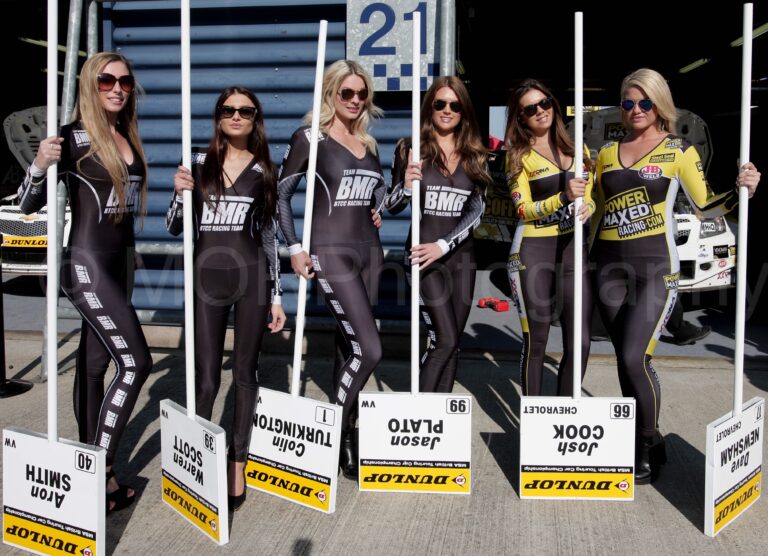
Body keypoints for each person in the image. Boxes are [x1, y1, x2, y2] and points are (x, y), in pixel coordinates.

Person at [592, 68, 761, 484]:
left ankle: (647, 444)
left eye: (644, 102)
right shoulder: (606, 154)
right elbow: (593, 213)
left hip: (655, 269)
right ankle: (645, 434)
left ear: (659, 104)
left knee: (635, 357)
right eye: (628, 103)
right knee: (626, 361)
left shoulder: (679, 150)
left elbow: (707, 206)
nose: (635, 110)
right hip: (607, 268)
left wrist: (744, 192)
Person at [19, 52, 152, 513]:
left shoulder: (126, 134)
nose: (117, 88)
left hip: (120, 266)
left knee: (95, 366)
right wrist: (39, 164)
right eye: (106, 80)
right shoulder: (73, 136)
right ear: (89, 85)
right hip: (87, 265)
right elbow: (27, 206)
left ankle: (105, 479)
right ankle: (95, 470)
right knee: (136, 363)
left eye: (125, 81)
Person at [167, 86, 286, 511]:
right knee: (206, 378)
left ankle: (237, 462)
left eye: (246, 110)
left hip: (252, 277)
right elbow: (173, 226)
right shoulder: (199, 161)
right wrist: (179, 192)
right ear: (218, 116)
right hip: (206, 280)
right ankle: (198, 458)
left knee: (244, 373)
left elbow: (270, 237)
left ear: (255, 118)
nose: (237, 116)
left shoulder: (266, 168)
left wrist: (276, 295)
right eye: (228, 110)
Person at [277, 60, 386, 479]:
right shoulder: (310, 138)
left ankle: (348, 442)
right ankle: (332, 434)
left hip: (370, 253)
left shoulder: (370, 145)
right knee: (371, 349)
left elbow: (374, 198)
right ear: (331, 94)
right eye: (347, 93)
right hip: (331, 251)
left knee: (350, 348)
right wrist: (295, 248)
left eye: (362, 94)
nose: (355, 101)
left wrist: (384, 202)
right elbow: (283, 196)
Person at [386, 76, 488, 392]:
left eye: (455, 105)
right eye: (439, 103)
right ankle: (420, 411)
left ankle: (440, 418)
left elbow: (477, 212)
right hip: (422, 259)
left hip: (461, 259)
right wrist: (404, 185)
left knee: (453, 341)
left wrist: (443, 245)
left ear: (464, 111)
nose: (447, 110)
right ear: (429, 107)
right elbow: (390, 205)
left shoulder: (475, 154)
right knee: (442, 338)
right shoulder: (410, 148)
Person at [503, 79, 594, 397]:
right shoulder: (517, 156)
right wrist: (562, 199)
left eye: (545, 103)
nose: (540, 111)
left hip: (573, 251)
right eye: (531, 109)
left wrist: (589, 205)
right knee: (537, 341)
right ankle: (532, 423)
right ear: (521, 118)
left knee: (580, 341)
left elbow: (590, 196)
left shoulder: (578, 149)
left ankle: (565, 412)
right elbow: (523, 210)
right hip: (532, 251)